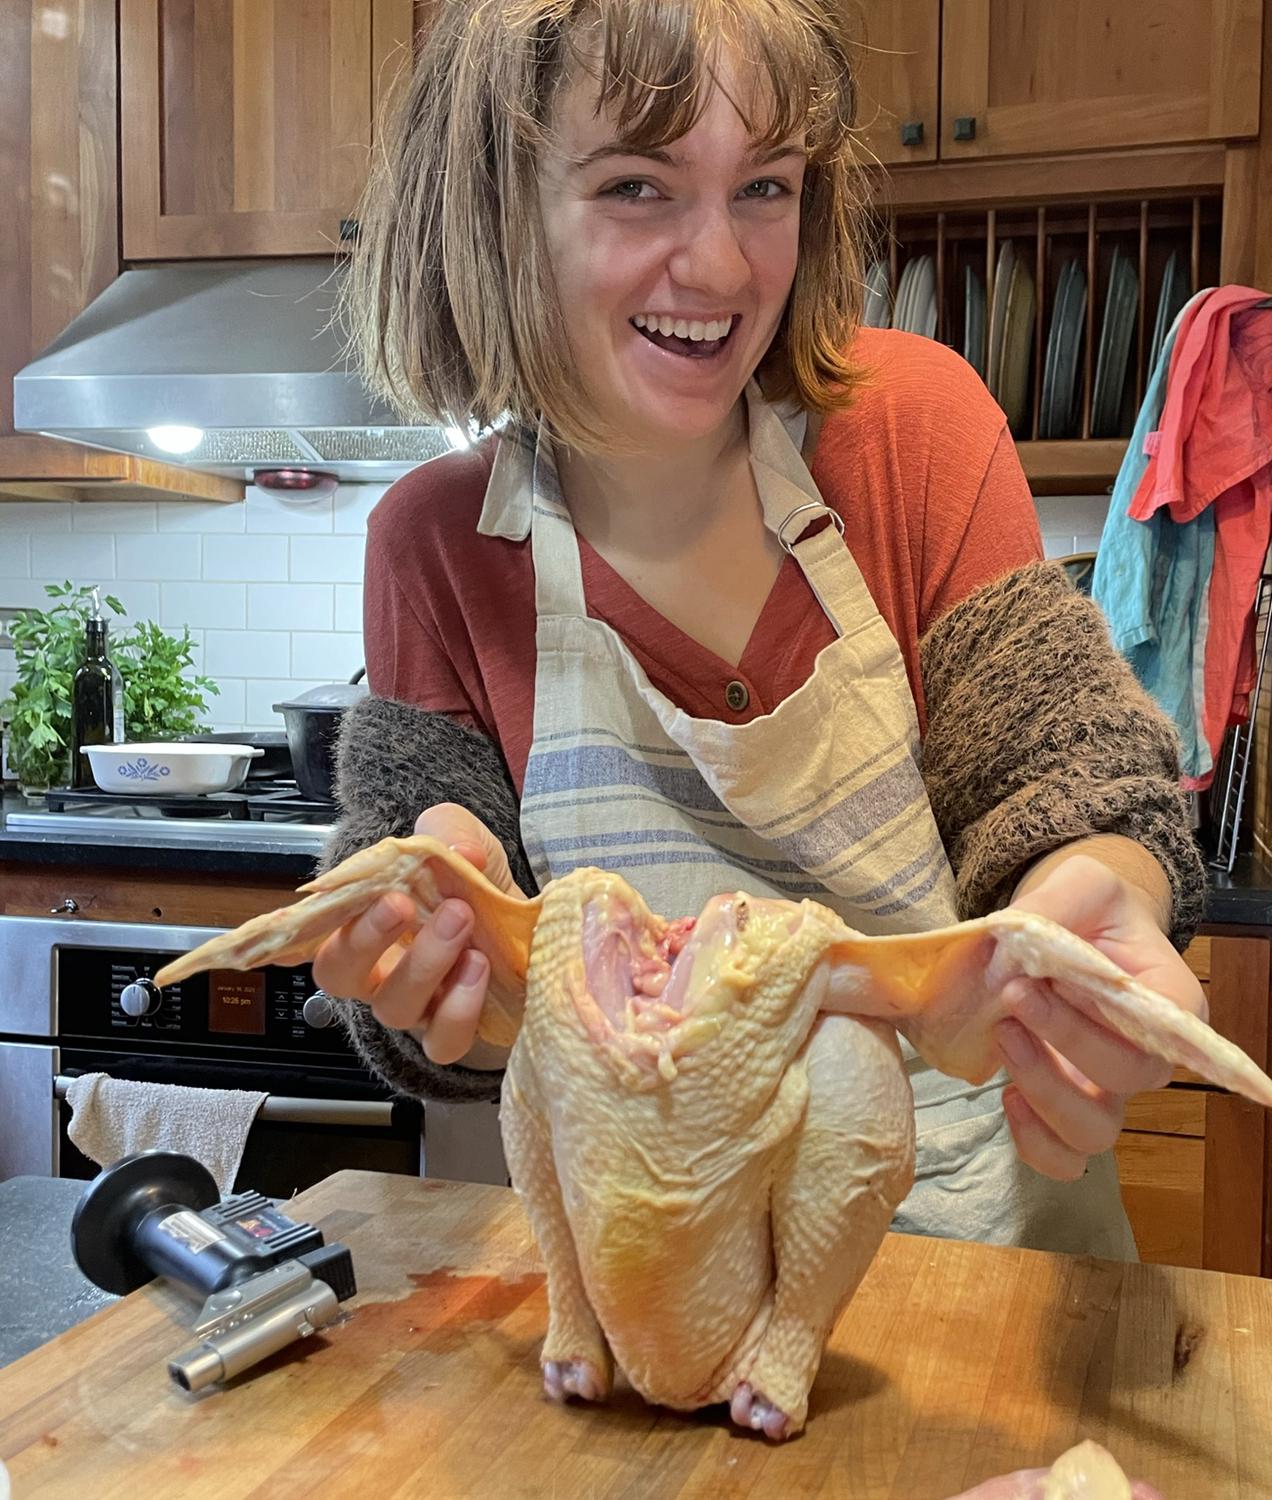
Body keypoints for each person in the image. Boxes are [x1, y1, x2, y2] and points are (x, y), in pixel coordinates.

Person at [318, 0, 1206, 1259]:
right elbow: (431, 1013)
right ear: (498, 212)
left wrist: (1107, 893)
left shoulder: (911, 431)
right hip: (657, 1268)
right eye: (638, 185)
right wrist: (432, 938)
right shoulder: (436, 545)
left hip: (984, 1264)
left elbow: (1070, 779)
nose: (725, 269)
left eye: (766, 188)